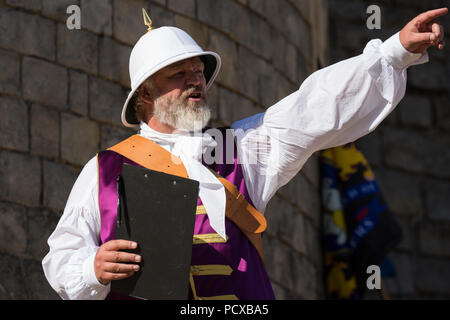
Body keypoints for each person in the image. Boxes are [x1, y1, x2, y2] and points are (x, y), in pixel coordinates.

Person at [42, 8, 447, 300]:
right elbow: (61, 256)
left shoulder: (243, 148)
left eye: (198, 70)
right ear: (146, 93)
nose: (195, 80)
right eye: (178, 73)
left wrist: (393, 53)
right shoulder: (105, 170)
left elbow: (315, 107)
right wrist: (93, 267)